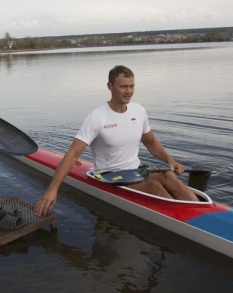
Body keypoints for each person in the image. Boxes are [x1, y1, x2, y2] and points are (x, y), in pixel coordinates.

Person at [36, 65, 198, 216]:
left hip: (134, 171)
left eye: (131, 86)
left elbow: (150, 142)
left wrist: (170, 160)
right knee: (154, 186)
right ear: (110, 86)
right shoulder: (97, 117)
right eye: (123, 86)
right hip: (110, 176)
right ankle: (183, 220)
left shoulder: (138, 111)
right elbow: (72, 155)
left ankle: (199, 211)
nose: (129, 91)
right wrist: (53, 189)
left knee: (168, 176)